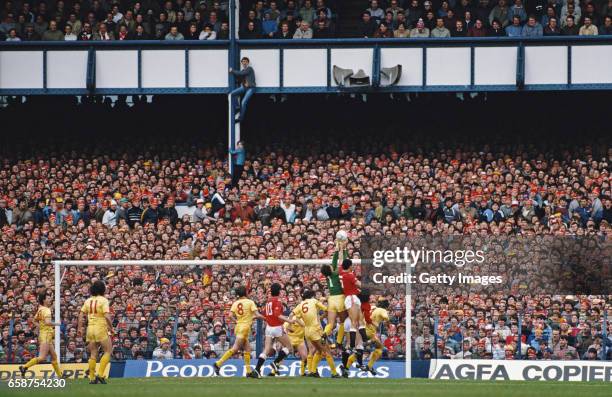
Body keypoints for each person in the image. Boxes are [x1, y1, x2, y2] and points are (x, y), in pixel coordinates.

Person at [214, 286, 265, 378]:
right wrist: (266, 318)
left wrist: (237, 321)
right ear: (245, 293)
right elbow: (257, 314)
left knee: (247, 349)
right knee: (235, 348)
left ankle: (248, 372)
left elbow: (230, 315)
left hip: (238, 326)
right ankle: (218, 363)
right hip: (245, 328)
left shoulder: (236, 303)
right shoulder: (250, 302)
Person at [291, 289, 339, 377]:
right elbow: (326, 309)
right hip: (315, 329)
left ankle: (312, 371)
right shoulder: (313, 301)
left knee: (319, 351)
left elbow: (295, 317)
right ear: (311, 296)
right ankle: (334, 373)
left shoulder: (300, 305)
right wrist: (325, 315)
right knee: (327, 350)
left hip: (307, 331)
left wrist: (304, 324)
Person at [254, 283, 299, 376]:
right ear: (279, 291)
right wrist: (289, 321)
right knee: (289, 348)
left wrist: (264, 319)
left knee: (266, 350)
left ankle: (257, 369)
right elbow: (277, 314)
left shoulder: (268, 301)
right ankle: (275, 362)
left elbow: (263, 314)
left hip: (268, 328)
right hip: (277, 327)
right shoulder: (278, 301)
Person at [19, 293, 63, 378]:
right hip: (46, 335)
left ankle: (60, 376)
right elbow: (48, 323)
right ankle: (24, 367)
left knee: (54, 356)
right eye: (48, 298)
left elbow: (34, 321)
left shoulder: (41, 309)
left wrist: (41, 327)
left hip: (45, 334)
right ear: (44, 300)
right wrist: (57, 324)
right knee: (42, 357)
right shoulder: (46, 310)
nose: (50, 299)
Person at [77, 280, 113, 384]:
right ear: (103, 289)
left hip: (90, 329)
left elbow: (81, 314)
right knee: (108, 351)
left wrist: (80, 328)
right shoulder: (103, 300)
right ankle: (100, 375)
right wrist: (111, 327)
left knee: (93, 353)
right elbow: (106, 316)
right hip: (100, 328)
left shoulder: (88, 300)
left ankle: (92, 378)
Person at [320, 239, 348, 347]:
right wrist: (343, 249)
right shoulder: (336, 273)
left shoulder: (327, 277)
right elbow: (344, 263)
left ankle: (324, 334)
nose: (332, 265)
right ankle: (339, 341)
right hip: (340, 298)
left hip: (331, 299)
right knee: (343, 321)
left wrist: (336, 249)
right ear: (330, 269)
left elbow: (334, 262)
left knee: (330, 324)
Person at [229, 57, 256, 122]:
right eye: (243, 61)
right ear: (241, 63)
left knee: (243, 102)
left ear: (248, 63)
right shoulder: (243, 71)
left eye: (245, 61)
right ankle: (237, 107)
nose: (244, 63)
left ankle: (240, 118)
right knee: (232, 94)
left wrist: (232, 71)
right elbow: (239, 75)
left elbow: (241, 74)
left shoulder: (249, 69)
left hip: (250, 88)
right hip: (244, 87)